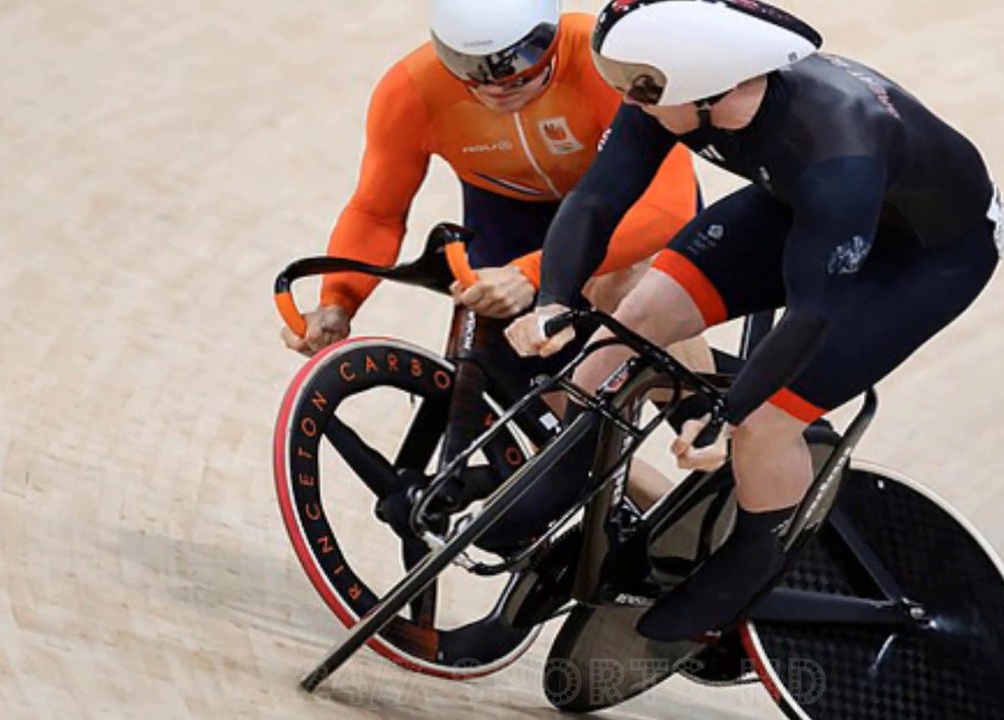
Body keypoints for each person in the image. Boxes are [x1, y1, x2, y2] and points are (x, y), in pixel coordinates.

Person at [507, 0, 1004, 642]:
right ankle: (568, 471)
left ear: (706, 88)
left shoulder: (838, 147)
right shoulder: (673, 94)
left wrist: (729, 413)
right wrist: (552, 297)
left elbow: (812, 311)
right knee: (626, 328)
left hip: (924, 260)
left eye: (637, 82)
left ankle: (749, 564)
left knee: (765, 425)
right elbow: (598, 199)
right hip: (797, 207)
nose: (625, 96)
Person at [280, 0, 707, 550]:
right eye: (474, 69)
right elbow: (376, 212)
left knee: (622, 284)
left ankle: (712, 426)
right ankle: (679, 520)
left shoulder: (603, 59)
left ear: (551, 34)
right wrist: (338, 300)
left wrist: (535, 275)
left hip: (621, 211)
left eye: (524, 62)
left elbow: (668, 208)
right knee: (544, 395)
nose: (500, 84)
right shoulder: (411, 89)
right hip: (509, 218)